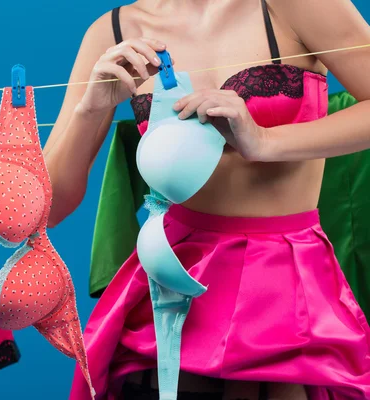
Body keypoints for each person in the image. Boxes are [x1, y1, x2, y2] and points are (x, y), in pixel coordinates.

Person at [43, 0, 370, 399]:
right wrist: (89, 110)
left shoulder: (294, 5)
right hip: (170, 293)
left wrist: (265, 141)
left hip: (283, 293)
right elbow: (51, 208)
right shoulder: (113, 29)